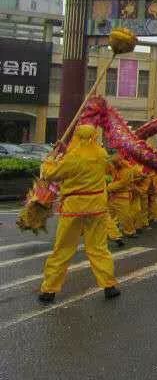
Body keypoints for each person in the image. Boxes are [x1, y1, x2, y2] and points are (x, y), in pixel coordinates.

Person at [38, 125, 120, 303]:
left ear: (76, 135)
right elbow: (87, 161)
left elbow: (51, 174)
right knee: (98, 248)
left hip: (74, 209)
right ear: (93, 136)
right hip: (97, 208)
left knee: (63, 249)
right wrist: (64, 149)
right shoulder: (101, 154)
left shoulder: (73, 157)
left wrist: (49, 160)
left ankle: (49, 290)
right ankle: (109, 285)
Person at [107, 156, 137, 238]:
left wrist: (109, 187)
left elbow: (122, 183)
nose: (113, 166)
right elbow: (107, 171)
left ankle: (129, 231)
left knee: (125, 215)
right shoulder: (115, 168)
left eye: (114, 164)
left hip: (123, 196)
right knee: (108, 215)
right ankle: (110, 232)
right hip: (113, 196)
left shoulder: (127, 170)